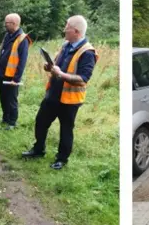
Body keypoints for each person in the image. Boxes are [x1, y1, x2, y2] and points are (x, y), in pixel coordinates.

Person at [22, 15, 98, 170]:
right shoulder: (65, 45)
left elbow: (83, 78)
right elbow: (56, 65)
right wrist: (49, 67)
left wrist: (61, 74)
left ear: (76, 31)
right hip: (53, 94)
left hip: (70, 100)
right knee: (40, 122)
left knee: (66, 130)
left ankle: (61, 160)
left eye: (67, 27)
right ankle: (38, 150)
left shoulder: (87, 52)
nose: (64, 29)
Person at [0, 13, 31, 130]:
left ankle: (12, 122)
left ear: (14, 24)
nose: (5, 25)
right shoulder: (7, 35)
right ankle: (5, 118)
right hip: (3, 74)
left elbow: (22, 61)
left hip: (12, 77)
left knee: (11, 100)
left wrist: (16, 79)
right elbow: (2, 54)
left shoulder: (22, 39)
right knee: (3, 97)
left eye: (7, 23)